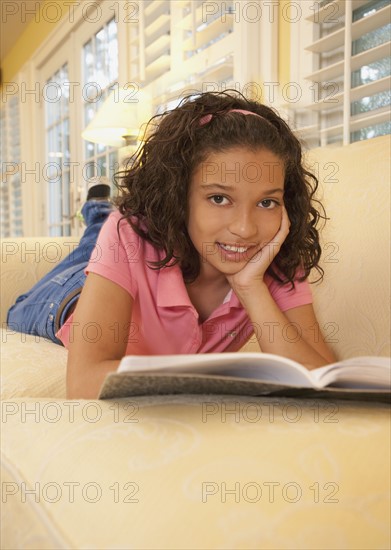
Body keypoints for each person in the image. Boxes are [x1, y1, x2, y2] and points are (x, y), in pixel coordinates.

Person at [7, 91, 336, 399]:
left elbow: (324, 379)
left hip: (137, 244)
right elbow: (83, 384)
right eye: (219, 198)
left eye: (267, 203)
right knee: (25, 304)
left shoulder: (274, 254)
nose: (245, 229)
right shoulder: (129, 234)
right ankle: (99, 217)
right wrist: (212, 378)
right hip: (69, 298)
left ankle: (99, 218)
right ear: (179, 196)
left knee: (110, 230)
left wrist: (250, 287)